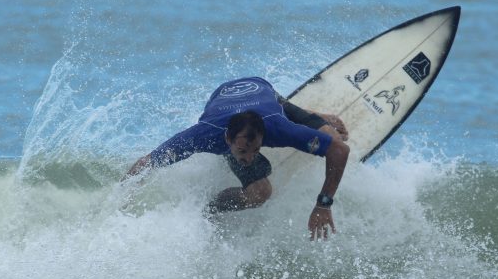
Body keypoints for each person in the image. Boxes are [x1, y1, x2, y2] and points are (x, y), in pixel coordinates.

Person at [123, 77, 350, 240]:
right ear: (228, 139)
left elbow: (340, 151)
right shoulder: (205, 135)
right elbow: (146, 162)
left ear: (265, 137)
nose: (250, 158)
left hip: (261, 89)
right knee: (260, 193)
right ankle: (211, 209)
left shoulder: (278, 128)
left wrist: (323, 205)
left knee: (334, 136)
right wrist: (120, 198)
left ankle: (310, 115)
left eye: (255, 149)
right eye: (243, 151)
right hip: (222, 97)